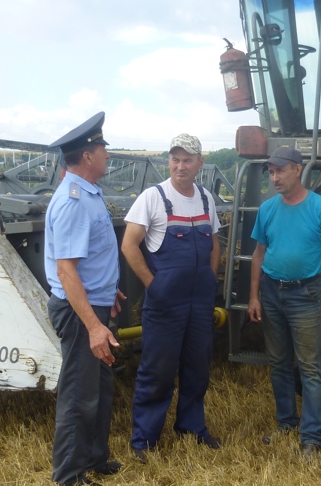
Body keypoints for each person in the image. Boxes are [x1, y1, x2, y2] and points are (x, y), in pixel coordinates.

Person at [121, 134, 222, 462]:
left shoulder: (206, 198)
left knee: (197, 367)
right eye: (175, 159)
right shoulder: (153, 197)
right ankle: (144, 440)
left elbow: (214, 243)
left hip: (199, 301)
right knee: (158, 371)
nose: (180, 165)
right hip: (166, 303)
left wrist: (210, 276)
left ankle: (192, 427)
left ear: (200, 164)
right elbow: (129, 245)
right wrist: (153, 285)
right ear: (169, 161)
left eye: (188, 159)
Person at [247, 145, 321, 460]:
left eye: (279, 170)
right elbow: (259, 253)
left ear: (296, 169)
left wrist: (315, 273)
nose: (274, 177)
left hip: (303, 295)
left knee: (309, 367)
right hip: (271, 292)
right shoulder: (268, 209)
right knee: (278, 363)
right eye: (271, 172)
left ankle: (313, 438)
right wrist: (253, 295)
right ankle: (287, 423)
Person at [44, 111, 125, 486]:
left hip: (95, 303)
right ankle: (69, 477)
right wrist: (93, 326)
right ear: (88, 155)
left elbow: (90, 258)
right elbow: (66, 271)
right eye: (102, 148)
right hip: (81, 314)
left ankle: (94, 458)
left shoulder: (88, 194)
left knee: (99, 388)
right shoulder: (74, 201)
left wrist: (110, 289)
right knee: (79, 395)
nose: (108, 154)